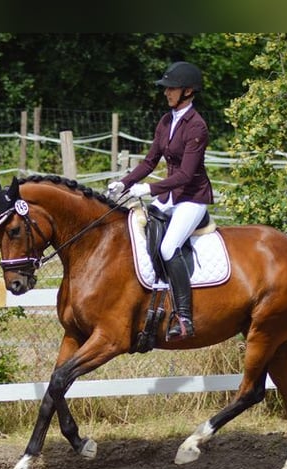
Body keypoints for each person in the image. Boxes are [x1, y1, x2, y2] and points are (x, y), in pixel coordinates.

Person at [108, 61, 214, 342]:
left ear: (188, 91)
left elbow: (185, 175)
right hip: (170, 197)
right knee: (136, 232)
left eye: (172, 88)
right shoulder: (166, 120)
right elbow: (150, 160)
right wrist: (125, 182)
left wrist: (150, 189)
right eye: (166, 88)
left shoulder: (197, 127)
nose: (166, 92)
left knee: (168, 247)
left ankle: (184, 317)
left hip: (192, 197)